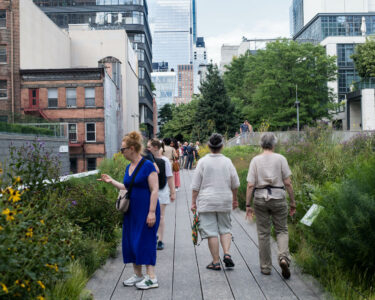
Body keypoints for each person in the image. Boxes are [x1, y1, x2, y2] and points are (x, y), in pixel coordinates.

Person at [98, 131, 160, 289]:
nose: (121, 152)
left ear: (132, 148)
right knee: (131, 241)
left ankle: (151, 278)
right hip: (131, 211)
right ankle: (138, 275)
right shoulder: (128, 167)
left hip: (147, 210)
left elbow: (154, 190)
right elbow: (127, 187)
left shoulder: (147, 165)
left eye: (123, 149)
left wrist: (152, 212)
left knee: (145, 241)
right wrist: (111, 181)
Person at [245, 132, 296, 279]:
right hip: (278, 197)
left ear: (261, 144)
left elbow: (250, 185)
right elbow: (288, 183)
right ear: (274, 144)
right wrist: (292, 202)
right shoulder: (281, 159)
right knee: (281, 230)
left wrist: (248, 205)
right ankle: (283, 258)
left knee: (263, 233)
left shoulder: (255, 160)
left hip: (260, 198)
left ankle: (266, 267)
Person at [191, 133, 240, 271]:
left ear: (208, 146)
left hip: (207, 201)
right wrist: (235, 200)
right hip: (224, 200)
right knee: (225, 229)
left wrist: (193, 202)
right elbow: (235, 183)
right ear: (222, 146)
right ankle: (227, 254)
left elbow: (195, 186)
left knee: (211, 232)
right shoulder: (227, 161)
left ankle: (216, 261)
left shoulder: (202, 162)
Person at [148, 139, 176, 251]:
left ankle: (160, 239)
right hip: (150, 192)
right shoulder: (146, 160)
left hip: (162, 190)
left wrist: (172, 192)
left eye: (149, 147)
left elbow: (170, 176)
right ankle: (153, 237)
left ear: (155, 147)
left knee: (161, 216)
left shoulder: (165, 161)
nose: (147, 149)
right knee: (151, 215)